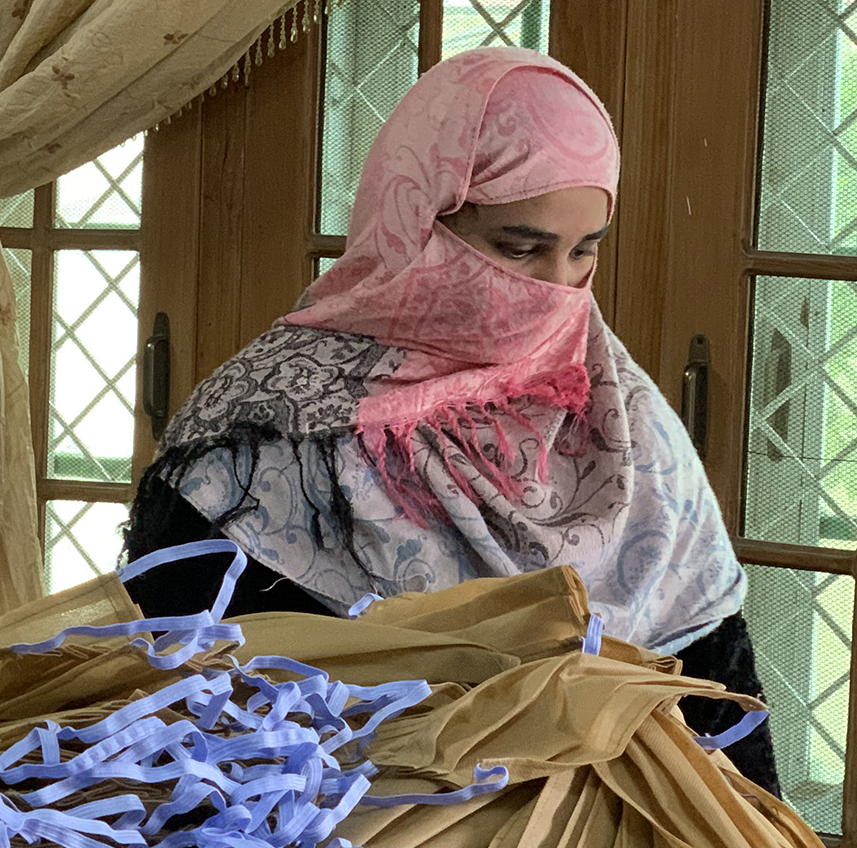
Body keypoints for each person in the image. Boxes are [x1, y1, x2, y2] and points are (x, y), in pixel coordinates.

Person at [124, 47, 779, 792]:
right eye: (520, 250)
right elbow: (192, 713)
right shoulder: (267, 434)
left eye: (582, 254)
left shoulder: (624, 421)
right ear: (415, 223)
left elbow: (720, 700)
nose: (555, 289)